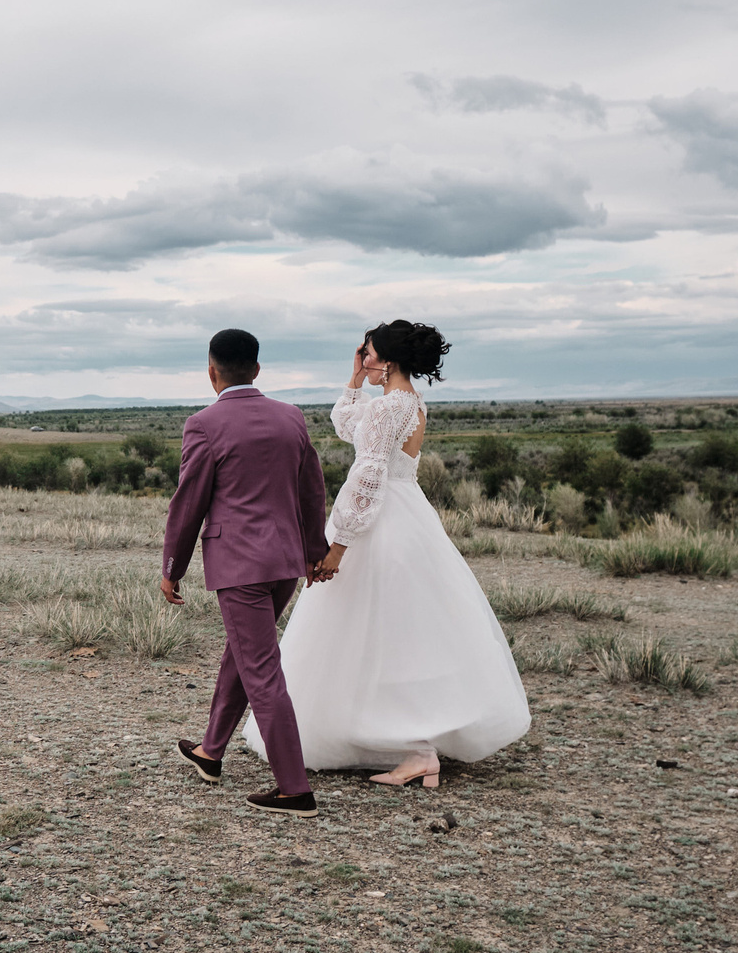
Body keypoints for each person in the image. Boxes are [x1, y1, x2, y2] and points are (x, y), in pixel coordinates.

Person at [241, 320, 531, 788]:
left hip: (381, 524)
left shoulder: (387, 408)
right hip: (409, 516)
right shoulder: (408, 403)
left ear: (390, 359)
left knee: (380, 630)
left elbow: (366, 477)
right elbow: (345, 427)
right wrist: (355, 378)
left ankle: (413, 747)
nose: (365, 358)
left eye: (370, 353)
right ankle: (415, 745)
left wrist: (338, 546)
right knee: (406, 630)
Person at [161, 328, 332, 819]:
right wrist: (313, 550)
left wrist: (173, 567)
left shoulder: (203, 424)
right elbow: (312, 491)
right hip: (283, 563)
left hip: (239, 566)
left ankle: (294, 789)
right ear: (257, 370)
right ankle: (211, 752)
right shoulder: (291, 417)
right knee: (244, 655)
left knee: (261, 671)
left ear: (211, 371)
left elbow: (188, 502)